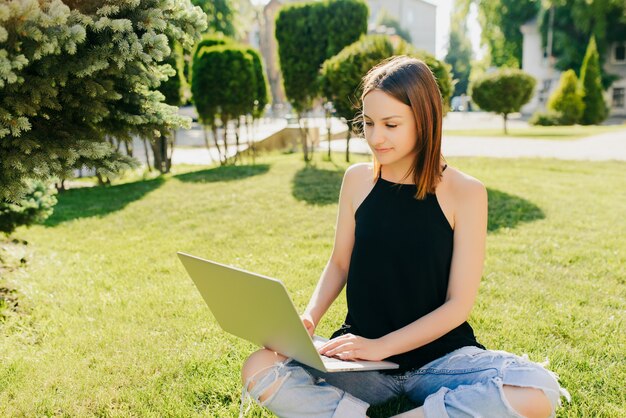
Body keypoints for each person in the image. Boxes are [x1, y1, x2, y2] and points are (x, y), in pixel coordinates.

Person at [238, 56, 571, 418]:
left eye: (391, 124)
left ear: (424, 121)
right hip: (361, 364)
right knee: (259, 366)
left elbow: (458, 304)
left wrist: (382, 346)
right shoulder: (357, 180)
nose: (376, 137)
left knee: (536, 390)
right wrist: (308, 319)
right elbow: (339, 262)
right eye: (368, 123)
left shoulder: (466, 192)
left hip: (441, 359)